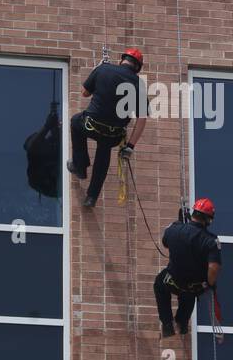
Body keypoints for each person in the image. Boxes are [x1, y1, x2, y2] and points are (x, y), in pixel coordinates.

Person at [67, 48, 147, 207]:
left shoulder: (103, 69)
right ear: (137, 68)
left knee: (76, 122)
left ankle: (80, 166)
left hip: (91, 125)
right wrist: (130, 146)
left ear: (122, 60)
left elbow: (84, 93)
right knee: (104, 151)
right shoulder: (138, 83)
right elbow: (142, 119)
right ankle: (92, 197)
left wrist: (96, 70)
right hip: (113, 135)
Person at [154, 198, 221, 338]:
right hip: (194, 287)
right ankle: (182, 323)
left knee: (160, 284)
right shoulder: (210, 241)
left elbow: (165, 243)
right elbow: (213, 269)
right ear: (208, 220)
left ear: (194, 213)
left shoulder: (174, 229)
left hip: (173, 280)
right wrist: (209, 284)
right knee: (189, 294)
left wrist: (179, 225)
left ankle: (167, 324)